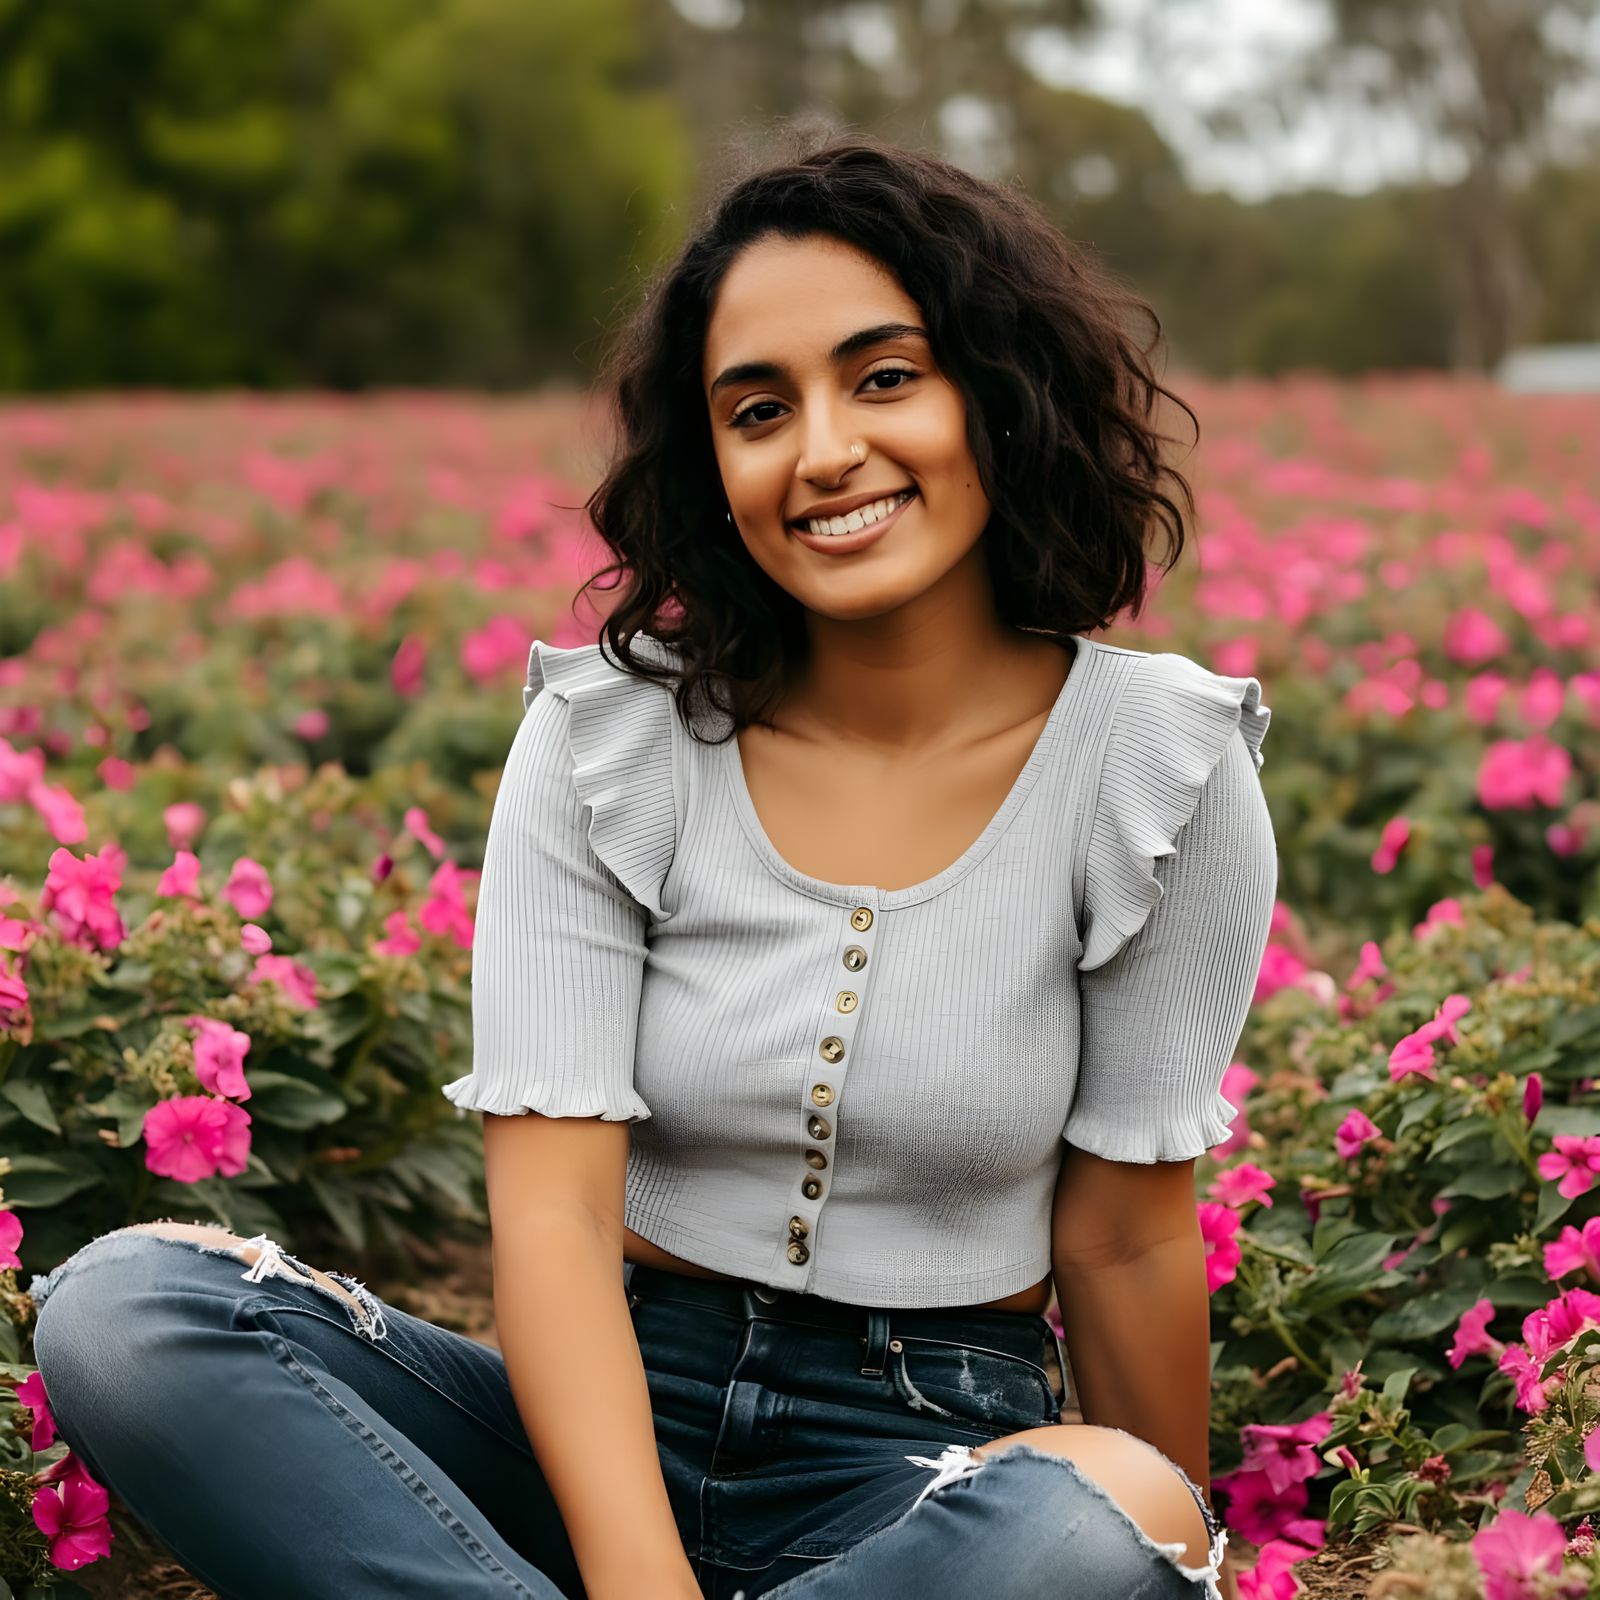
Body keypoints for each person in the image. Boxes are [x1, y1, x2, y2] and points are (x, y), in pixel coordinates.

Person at [27, 129, 1276, 1600]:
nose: (825, 452)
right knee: (129, 1311)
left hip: (926, 1470)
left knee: (1112, 1518)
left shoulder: (1158, 764)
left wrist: (1175, 1554)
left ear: (996, 395)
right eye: (760, 409)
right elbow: (552, 1216)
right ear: (714, 460)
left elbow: (1126, 1245)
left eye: (886, 377)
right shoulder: (610, 741)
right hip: (596, 1435)